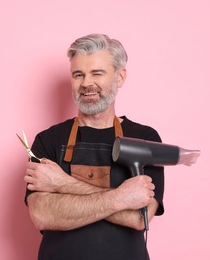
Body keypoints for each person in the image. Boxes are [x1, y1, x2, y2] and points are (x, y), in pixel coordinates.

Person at [24, 34, 164, 260]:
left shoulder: (145, 139)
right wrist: (121, 198)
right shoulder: (47, 140)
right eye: (78, 74)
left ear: (120, 77)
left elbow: (140, 217)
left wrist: (63, 183)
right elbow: (42, 214)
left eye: (97, 73)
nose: (87, 83)